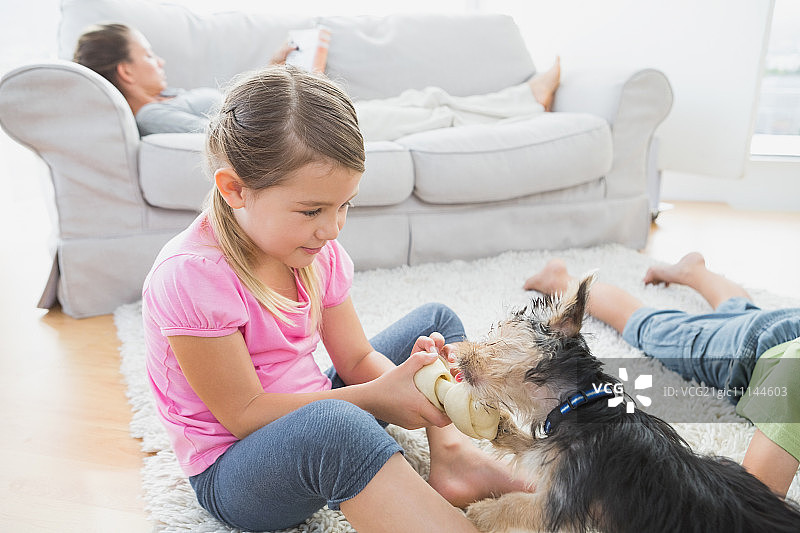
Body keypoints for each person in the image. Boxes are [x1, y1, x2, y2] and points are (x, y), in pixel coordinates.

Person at [141, 65, 528, 533]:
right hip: (237, 470)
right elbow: (244, 416)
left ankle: (454, 459)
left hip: (311, 405)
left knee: (435, 321)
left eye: (344, 205)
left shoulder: (315, 251)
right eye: (312, 211)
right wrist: (374, 400)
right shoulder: (190, 277)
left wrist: (415, 386)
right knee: (338, 425)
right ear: (235, 189)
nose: (332, 228)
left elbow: (358, 356)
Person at [523, 253, 800, 499]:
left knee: (740, 317)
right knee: (651, 328)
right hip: (756, 350)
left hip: (779, 333)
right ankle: (561, 279)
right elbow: (752, 500)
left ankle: (694, 271)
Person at [73, 23, 561, 139]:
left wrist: (276, 72)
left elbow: (234, 109)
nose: (159, 61)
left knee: (423, 99)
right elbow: (229, 132)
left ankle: (525, 98)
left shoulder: (167, 98)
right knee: (433, 113)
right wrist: (281, 86)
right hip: (304, 127)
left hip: (297, 110)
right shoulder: (153, 115)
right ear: (125, 71)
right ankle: (527, 101)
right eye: (148, 55)